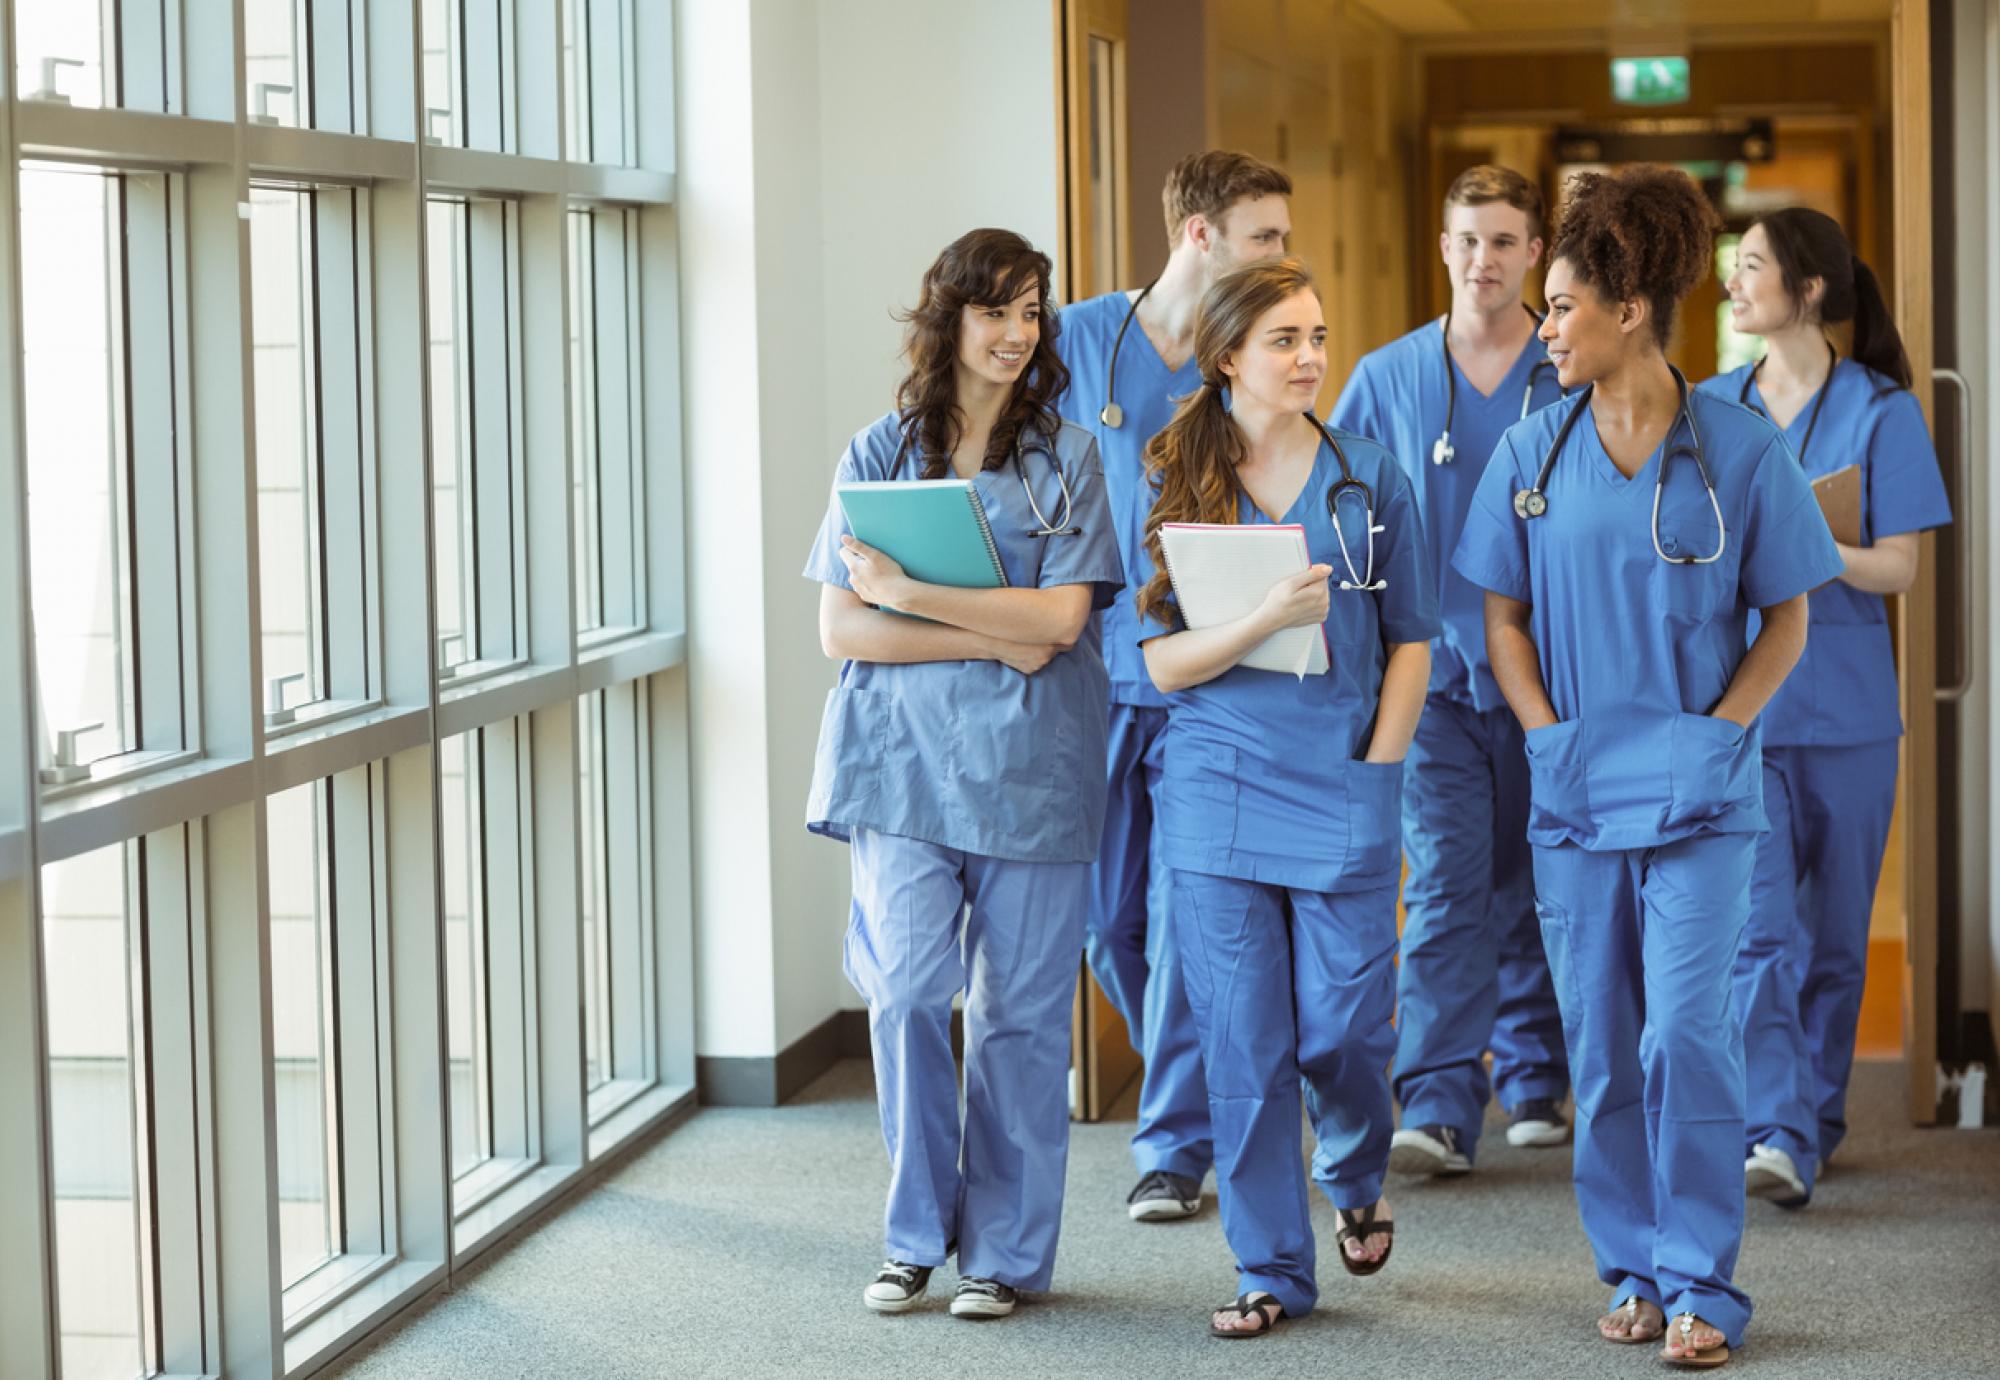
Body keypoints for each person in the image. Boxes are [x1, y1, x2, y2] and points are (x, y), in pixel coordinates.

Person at [1452, 167, 1844, 1367]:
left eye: (1560, 305)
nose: (1543, 322)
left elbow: (1786, 617)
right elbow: (1500, 618)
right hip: (1574, 789)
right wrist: (1539, 733)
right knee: (1604, 1039)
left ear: (1627, 311)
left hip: (1699, 794)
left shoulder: (1736, 448)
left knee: (1685, 1033)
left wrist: (1719, 733)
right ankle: (1627, 1266)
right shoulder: (1530, 446)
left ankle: (1699, 1286)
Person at [804, 228, 1125, 1319]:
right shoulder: (873, 456)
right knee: (901, 997)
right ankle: (910, 1238)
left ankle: (1002, 1254)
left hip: (1030, 770)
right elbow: (843, 629)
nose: (1016, 334)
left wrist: (910, 590)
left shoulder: (1067, 458)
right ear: (949, 320)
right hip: (899, 770)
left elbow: (1061, 622)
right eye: (996, 311)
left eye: (1032, 312)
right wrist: (988, 630)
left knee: (1021, 1020)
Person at [1130, 258, 1438, 1336]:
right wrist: (1260, 619)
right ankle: (1269, 1268)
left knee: (1345, 1030)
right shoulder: (1169, 476)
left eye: (1317, 336)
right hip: (1216, 787)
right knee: (1243, 1042)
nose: (1310, 358)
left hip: (1343, 781)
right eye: (1284, 341)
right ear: (1225, 359)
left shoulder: (1371, 480)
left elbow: (1411, 643)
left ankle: (1353, 1171)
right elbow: (1160, 665)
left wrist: (1377, 767)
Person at [1056, 149, 1293, 1221]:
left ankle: (1173, 1142)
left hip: (1205, 678)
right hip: (1091, 676)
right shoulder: (1078, 338)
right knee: (1108, 924)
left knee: (1188, 910)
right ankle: (1220, 1077)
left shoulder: (1246, 352)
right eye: (1264, 237)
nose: (1282, 257)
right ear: (1198, 234)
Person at [1701, 208, 1952, 1207]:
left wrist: (1802, 542)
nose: (1732, 282)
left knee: (1835, 938)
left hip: (1847, 716)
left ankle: (1810, 1115)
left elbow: (1895, 567)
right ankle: (1776, 1129)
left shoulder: (1879, 411)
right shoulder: (1711, 409)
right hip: (1745, 708)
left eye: (1750, 265)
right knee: (1757, 930)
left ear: (1807, 289)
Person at [1331, 164, 1572, 1177]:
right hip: (1427, 680)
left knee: (1536, 878)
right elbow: (1334, 508)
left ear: (1533, 254)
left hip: (1548, 676)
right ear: (1442, 248)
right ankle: (1434, 1097)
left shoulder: (1568, 371)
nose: (1484, 261)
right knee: (1441, 885)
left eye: (1505, 242)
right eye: (1467, 240)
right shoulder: (1385, 378)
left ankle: (1532, 1074)